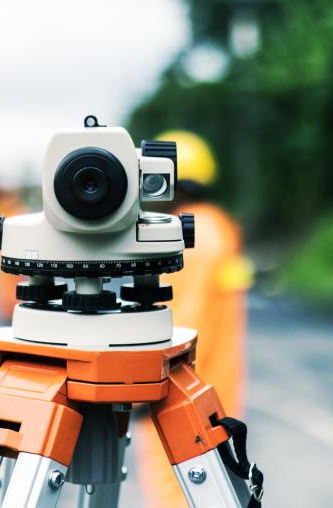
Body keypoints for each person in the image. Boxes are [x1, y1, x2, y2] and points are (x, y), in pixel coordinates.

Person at [135, 130, 254, 507]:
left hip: (179, 396)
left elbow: (188, 319)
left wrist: (145, 376)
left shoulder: (194, 236)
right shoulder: (216, 227)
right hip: (211, 392)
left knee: (175, 491)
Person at [0, 189, 27, 321]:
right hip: (0, 262)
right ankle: (8, 312)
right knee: (5, 290)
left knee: (15, 288)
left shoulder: (18, 213)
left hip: (12, 263)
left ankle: (13, 311)